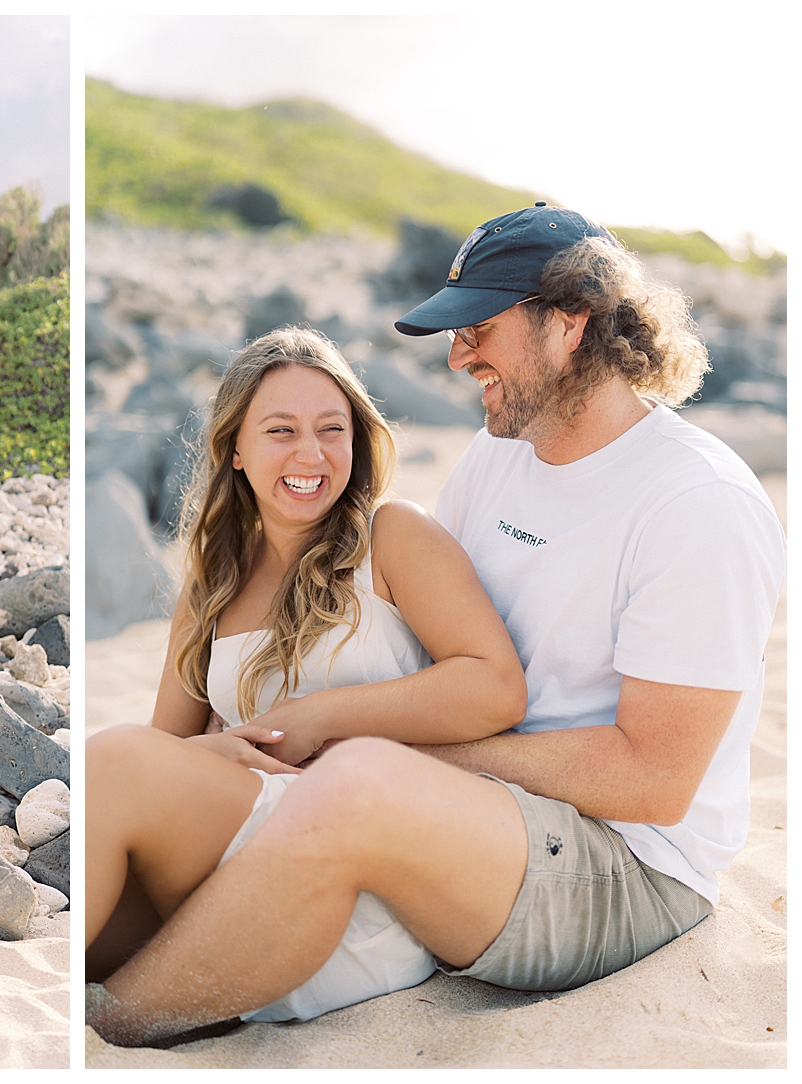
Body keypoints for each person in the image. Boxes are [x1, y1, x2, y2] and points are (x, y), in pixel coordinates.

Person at [86, 203, 786, 1047]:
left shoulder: (696, 502)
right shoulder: (499, 457)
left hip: (628, 865)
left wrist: (383, 751)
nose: (458, 357)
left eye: (480, 328)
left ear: (572, 323)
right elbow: (415, 634)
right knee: (124, 761)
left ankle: (110, 1029)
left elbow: (655, 781)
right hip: (472, 816)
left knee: (360, 782)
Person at [87, 327, 529, 1023]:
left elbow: (495, 687)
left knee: (107, 761)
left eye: (331, 429)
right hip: (231, 870)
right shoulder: (211, 588)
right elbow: (164, 760)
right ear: (236, 448)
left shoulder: (393, 539)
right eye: (280, 430)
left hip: (354, 877)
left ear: (357, 441)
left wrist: (322, 717)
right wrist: (209, 751)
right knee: (95, 881)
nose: (310, 454)